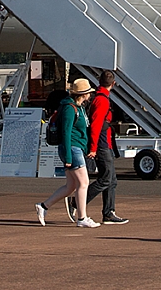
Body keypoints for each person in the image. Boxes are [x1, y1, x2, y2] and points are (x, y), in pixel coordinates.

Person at [35, 79, 101, 228]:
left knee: (71, 186)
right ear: (83, 94)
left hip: (76, 148)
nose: (90, 95)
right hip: (72, 149)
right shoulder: (69, 108)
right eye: (88, 93)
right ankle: (82, 217)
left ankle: (44, 206)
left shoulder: (79, 107)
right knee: (84, 183)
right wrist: (69, 158)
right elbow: (66, 132)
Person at [72, 70, 128, 225]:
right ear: (113, 83)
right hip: (102, 143)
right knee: (106, 178)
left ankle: (109, 212)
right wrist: (93, 148)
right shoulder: (102, 100)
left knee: (111, 179)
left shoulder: (97, 96)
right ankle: (77, 202)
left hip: (104, 142)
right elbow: (96, 125)